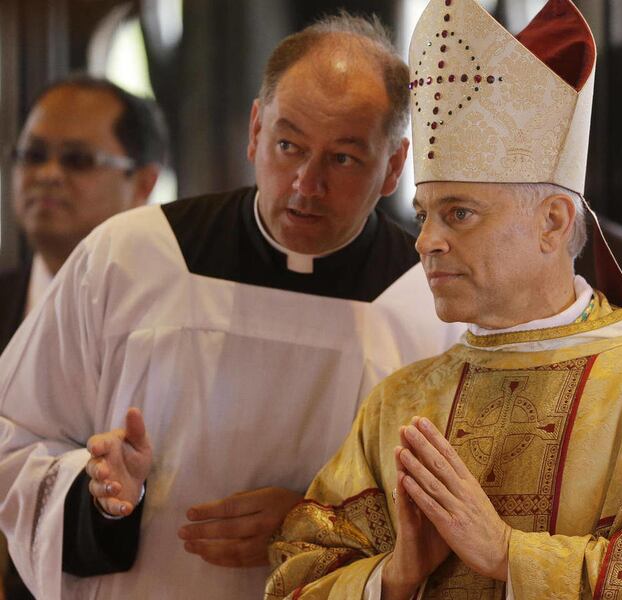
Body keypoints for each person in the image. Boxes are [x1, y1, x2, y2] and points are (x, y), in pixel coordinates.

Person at [262, 1, 622, 598]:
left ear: (553, 221)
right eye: (425, 214)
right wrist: (395, 574)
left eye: (460, 213)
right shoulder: (401, 405)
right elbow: (297, 579)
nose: (428, 241)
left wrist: (512, 556)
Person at [0, 15, 459, 600]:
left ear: (395, 166)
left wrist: (321, 526)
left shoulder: (435, 299)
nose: (304, 184)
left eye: (343, 159)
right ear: (254, 129)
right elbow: (15, 437)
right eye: (288, 146)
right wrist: (100, 495)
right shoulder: (131, 257)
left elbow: (475, 508)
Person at [0, 75, 167, 600]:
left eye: (76, 160)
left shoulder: (168, 324)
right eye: (32, 155)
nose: (47, 175)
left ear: (143, 183)